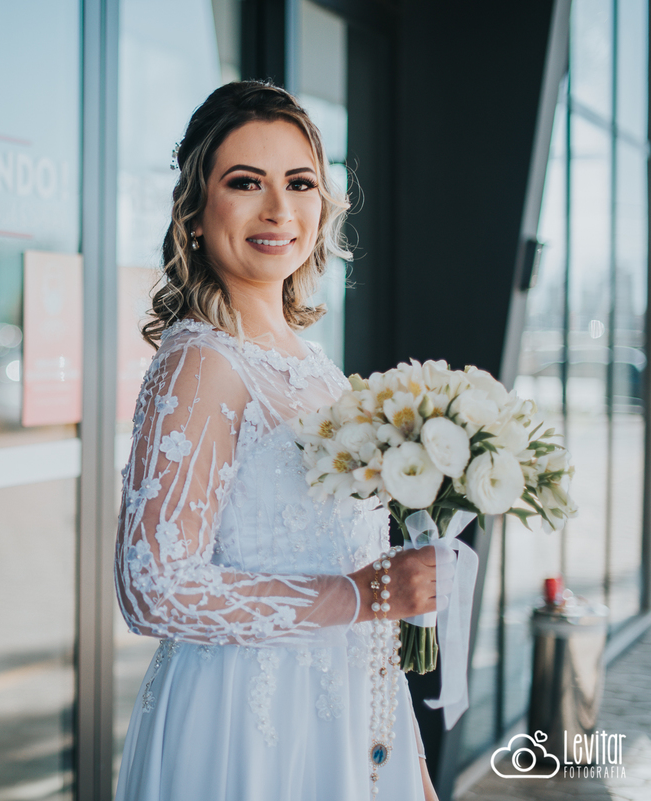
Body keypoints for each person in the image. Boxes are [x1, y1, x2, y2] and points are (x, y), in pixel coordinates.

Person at [114, 81, 441, 801]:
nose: (278, 209)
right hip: (247, 728)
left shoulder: (314, 364)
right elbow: (153, 588)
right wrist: (359, 595)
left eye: (299, 183)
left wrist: (401, 756)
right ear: (196, 212)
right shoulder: (203, 362)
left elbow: (354, 567)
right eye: (245, 183)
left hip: (350, 719)